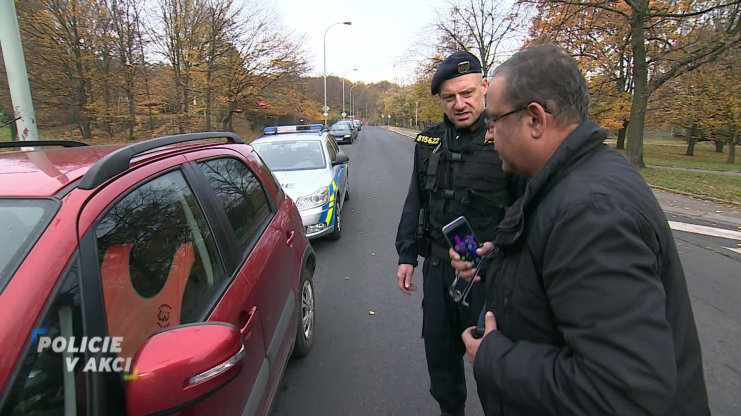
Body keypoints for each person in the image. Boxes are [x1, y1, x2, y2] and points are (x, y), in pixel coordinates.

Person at [453, 43, 710, 415]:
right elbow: (561, 275)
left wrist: (494, 357)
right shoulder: (575, 181)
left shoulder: (590, 212)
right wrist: (501, 261)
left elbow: (625, 391)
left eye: (494, 121)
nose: (489, 135)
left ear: (536, 119)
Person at [395, 51, 523, 416]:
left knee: (492, 367)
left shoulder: (505, 140)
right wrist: (406, 255)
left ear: (484, 87)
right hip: (438, 272)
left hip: (490, 277)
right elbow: (414, 201)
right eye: (450, 97)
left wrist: (497, 252)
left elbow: (525, 212)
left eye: (467, 93)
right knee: (441, 358)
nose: (460, 104)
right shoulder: (428, 142)